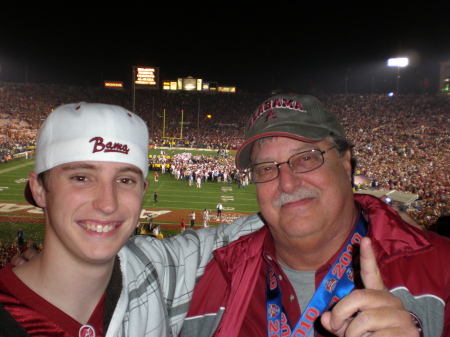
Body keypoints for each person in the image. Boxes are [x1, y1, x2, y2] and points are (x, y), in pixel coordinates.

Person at [181, 94, 450, 337]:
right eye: (265, 168)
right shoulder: (209, 277)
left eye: (306, 158)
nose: (287, 183)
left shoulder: (441, 268)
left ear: (345, 162)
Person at [1, 102, 264, 337]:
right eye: (81, 177)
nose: (107, 204)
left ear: (143, 191)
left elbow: (267, 225)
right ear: (38, 189)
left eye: (125, 180)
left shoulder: (156, 270)